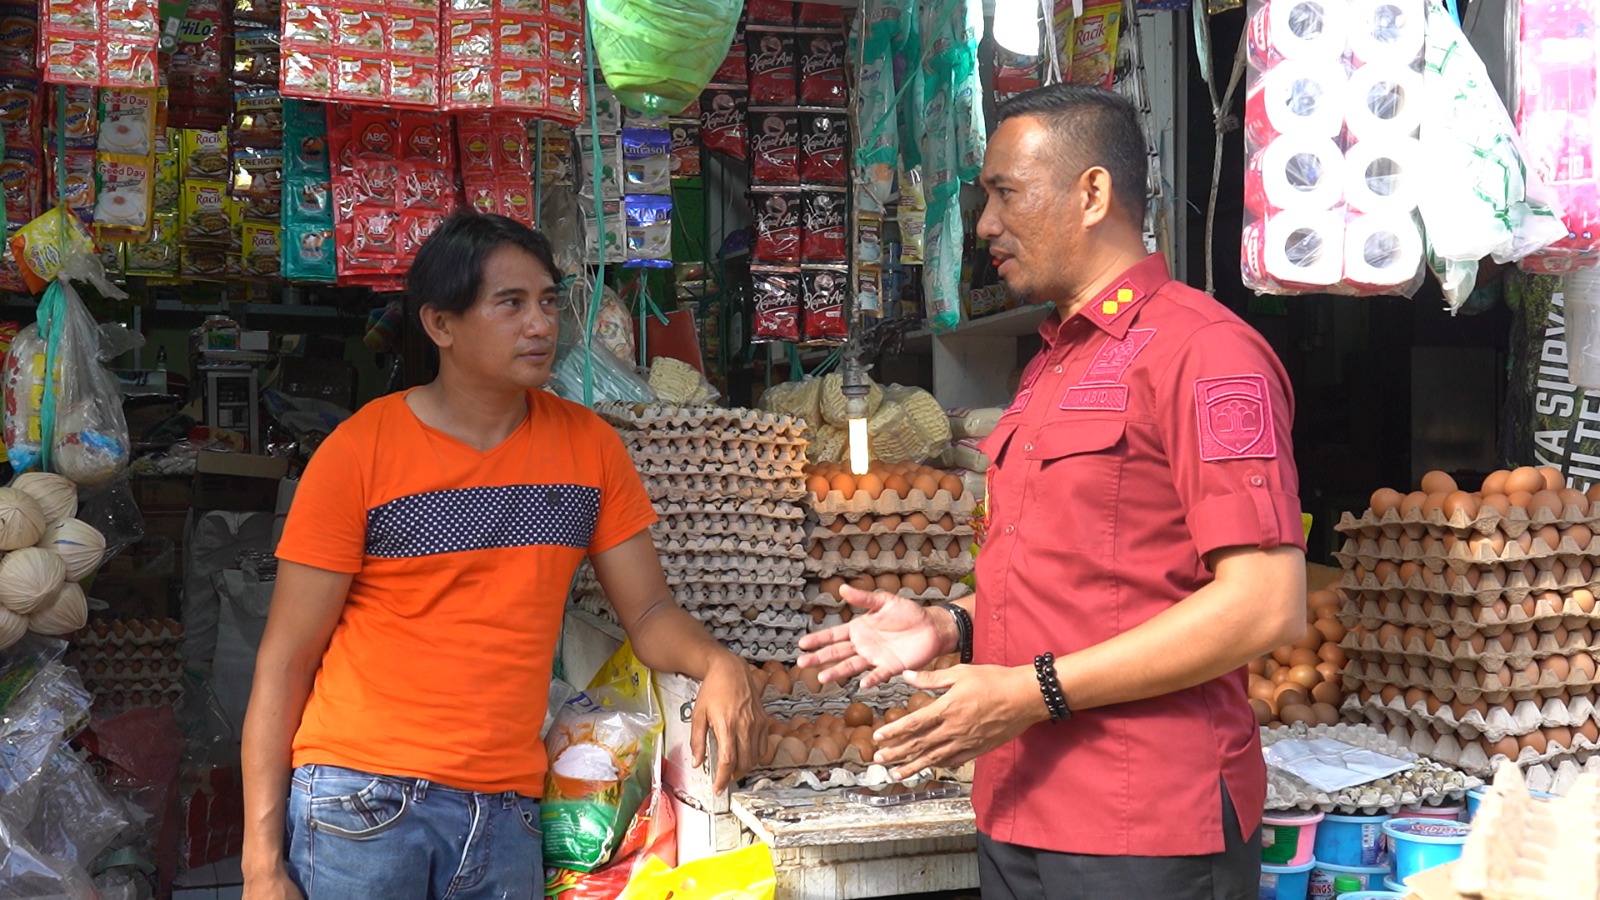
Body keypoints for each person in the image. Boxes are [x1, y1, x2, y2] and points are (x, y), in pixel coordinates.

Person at [799, 84, 1307, 900]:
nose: (984, 225)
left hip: (1143, 825)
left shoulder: (1202, 351)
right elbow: (1081, 580)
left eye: (1005, 192)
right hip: (1018, 806)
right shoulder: (1050, 367)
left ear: (1092, 193)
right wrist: (949, 622)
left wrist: (1032, 691)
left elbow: (1264, 604)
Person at [241, 212, 764, 900]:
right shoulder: (359, 452)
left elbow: (650, 609)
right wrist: (260, 865)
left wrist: (718, 661)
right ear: (441, 325)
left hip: (505, 809)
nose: (540, 325)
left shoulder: (589, 448)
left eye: (548, 302)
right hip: (361, 801)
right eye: (510, 304)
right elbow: (286, 658)